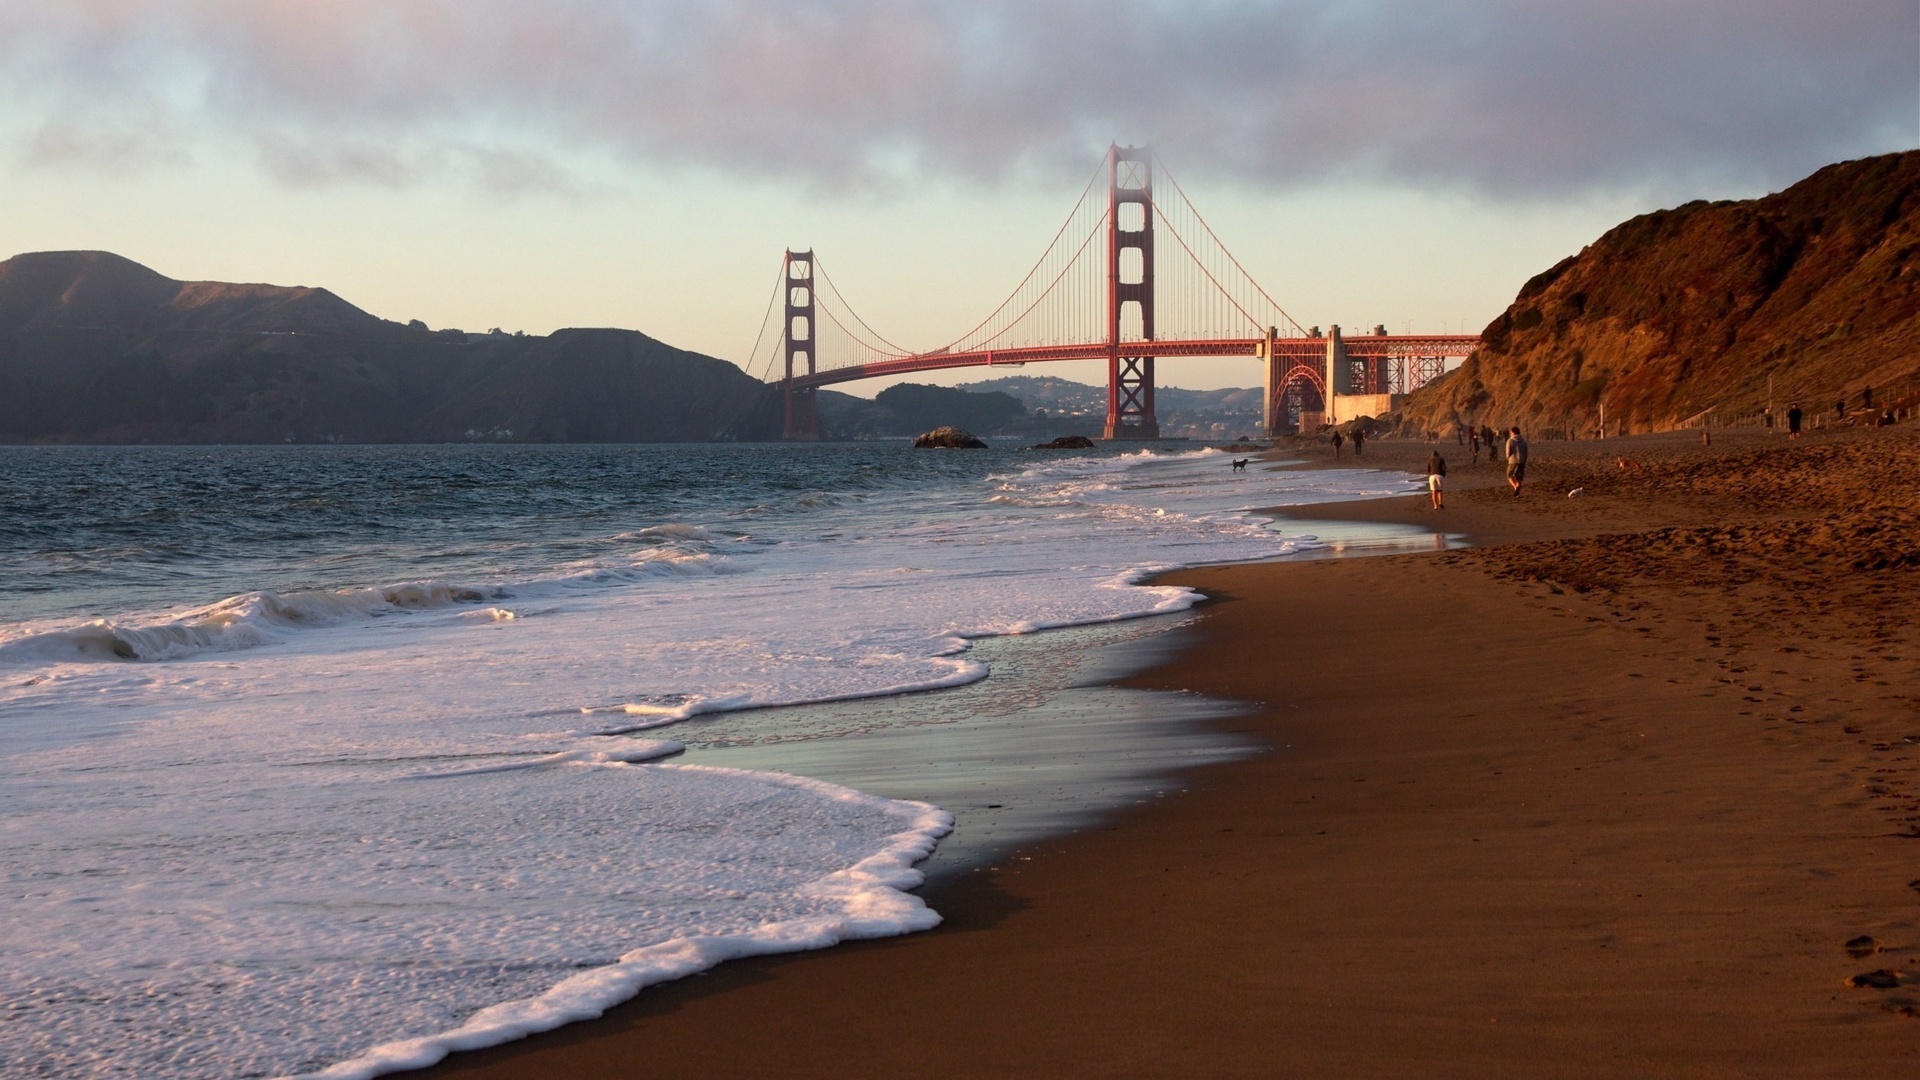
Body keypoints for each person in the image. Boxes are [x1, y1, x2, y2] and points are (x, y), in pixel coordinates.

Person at [1505, 425, 1529, 497]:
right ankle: (1517, 490)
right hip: (1521, 460)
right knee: (1519, 478)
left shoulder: (1510, 440)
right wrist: (1524, 460)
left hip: (1513, 460)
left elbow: (1508, 452)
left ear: (1513, 432)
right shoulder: (1524, 441)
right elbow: (1526, 452)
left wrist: (1508, 457)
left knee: (1509, 475)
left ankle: (1515, 487)